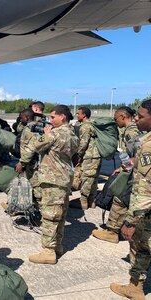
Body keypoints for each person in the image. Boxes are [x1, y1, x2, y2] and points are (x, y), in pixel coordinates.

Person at [110, 100, 151, 299]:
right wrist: (132, 163)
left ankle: (135, 288)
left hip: (145, 210)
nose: (136, 119)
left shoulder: (148, 145)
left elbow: (145, 189)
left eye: (141, 116)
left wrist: (130, 221)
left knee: (140, 246)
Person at [29, 105, 78, 264]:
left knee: (50, 216)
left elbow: (35, 146)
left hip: (52, 179)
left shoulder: (54, 134)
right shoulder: (72, 134)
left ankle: (48, 251)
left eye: (53, 117)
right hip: (64, 178)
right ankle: (57, 246)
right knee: (60, 215)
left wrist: (45, 134)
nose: (50, 120)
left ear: (62, 117)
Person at [92, 106, 141, 243]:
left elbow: (137, 154)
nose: (115, 122)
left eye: (116, 119)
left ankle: (112, 231)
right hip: (130, 168)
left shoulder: (131, 131)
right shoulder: (129, 130)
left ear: (123, 117)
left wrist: (126, 167)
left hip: (132, 172)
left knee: (119, 198)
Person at [72, 107, 101, 209]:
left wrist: (78, 155)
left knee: (86, 178)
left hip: (89, 155)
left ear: (84, 115)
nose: (76, 115)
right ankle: (92, 201)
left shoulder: (85, 126)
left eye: (78, 113)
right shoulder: (93, 124)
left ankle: (83, 201)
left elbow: (84, 143)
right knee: (94, 178)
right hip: (96, 155)